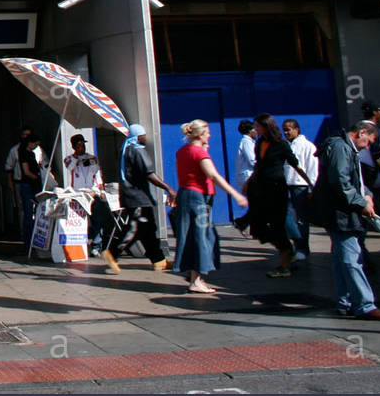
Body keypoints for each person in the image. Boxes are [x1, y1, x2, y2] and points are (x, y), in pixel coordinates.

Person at [320, 121, 380, 320]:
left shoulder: (343, 147)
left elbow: (352, 179)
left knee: (341, 258)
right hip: (342, 213)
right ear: (361, 132)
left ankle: (347, 301)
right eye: (368, 141)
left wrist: (366, 194)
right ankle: (364, 304)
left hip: (340, 211)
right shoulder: (341, 148)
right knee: (352, 259)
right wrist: (361, 202)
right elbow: (341, 181)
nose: (367, 146)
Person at [172, 119, 247, 294]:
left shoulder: (183, 151)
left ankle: (195, 276)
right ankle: (196, 280)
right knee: (202, 237)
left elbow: (184, 171)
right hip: (198, 198)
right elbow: (213, 175)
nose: (210, 135)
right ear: (200, 134)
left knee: (193, 235)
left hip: (186, 194)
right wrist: (235, 194)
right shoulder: (199, 153)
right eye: (207, 132)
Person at [103, 125, 173, 274]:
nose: (145, 137)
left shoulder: (125, 150)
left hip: (131, 196)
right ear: (137, 136)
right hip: (139, 197)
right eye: (143, 135)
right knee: (134, 228)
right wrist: (168, 188)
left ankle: (159, 260)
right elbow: (150, 174)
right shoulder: (138, 150)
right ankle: (112, 253)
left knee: (148, 230)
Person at [245, 113, 296, 277]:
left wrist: (310, 185)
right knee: (260, 225)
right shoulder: (260, 143)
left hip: (277, 189)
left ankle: (285, 263)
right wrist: (250, 181)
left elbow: (294, 163)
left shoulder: (280, 144)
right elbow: (258, 165)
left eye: (258, 126)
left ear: (266, 126)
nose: (256, 129)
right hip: (263, 188)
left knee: (277, 224)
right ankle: (287, 248)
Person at [282, 119, 318, 260]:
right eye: (284, 130)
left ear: (297, 129)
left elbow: (312, 169)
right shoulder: (285, 146)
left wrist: (311, 188)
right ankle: (294, 246)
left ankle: (303, 248)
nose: (286, 132)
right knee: (289, 219)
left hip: (300, 187)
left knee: (302, 220)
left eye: (288, 129)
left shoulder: (307, 146)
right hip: (286, 186)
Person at [64, 134, 105, 255]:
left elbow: (97, 175)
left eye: (83, 145)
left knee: (96, 218)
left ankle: (96, 244)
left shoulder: (93, 158)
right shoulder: (69, 159)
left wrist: (101, 190)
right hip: (78, 194)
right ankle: (82, 243)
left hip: (92, 192)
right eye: (79, 145)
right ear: (74, 147)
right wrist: (77, 158)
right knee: (81, 220)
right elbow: (70, 167)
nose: (82, 148)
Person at [17, 133, 43, 248]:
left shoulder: (31, 153)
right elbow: (26, 171)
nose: (36, 147)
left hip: (32, 185)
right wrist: (36, 177)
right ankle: (28, 240)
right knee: (28, 213)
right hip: (28, 184)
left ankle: (32, 238)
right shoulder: (23, 153)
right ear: (30, 143)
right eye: (35, 144)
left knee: (33, 212)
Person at [234, 120, 257, 189]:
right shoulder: (246, 142)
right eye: (255, 129)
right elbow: (252, 160)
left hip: (248, 176)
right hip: (248, 176)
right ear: (250, 131)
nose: (257, 132)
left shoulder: (249, 142)